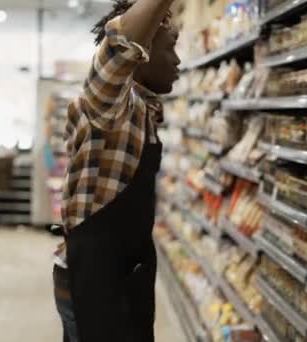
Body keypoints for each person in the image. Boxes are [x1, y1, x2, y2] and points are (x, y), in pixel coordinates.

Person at [52, 0, 180, 341]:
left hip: (120, 273)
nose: (178, 61)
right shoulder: (107, 105)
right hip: (94, 279)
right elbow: (119, 44)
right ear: (145, 51)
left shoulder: (144, 109)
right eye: (172, 48)